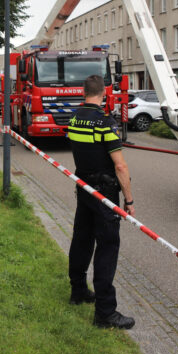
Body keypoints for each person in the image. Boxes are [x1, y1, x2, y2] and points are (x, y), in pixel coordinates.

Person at [67, 74, 135, 330]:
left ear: (84, 92)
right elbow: (120, 164)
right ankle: (105, 313)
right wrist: (129, 200)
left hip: (83, 188)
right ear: (104, 93)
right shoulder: (105, 123)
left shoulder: (74, 118)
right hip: (104, 193)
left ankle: (78, 290)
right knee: (107, 247)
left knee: (82, 239)